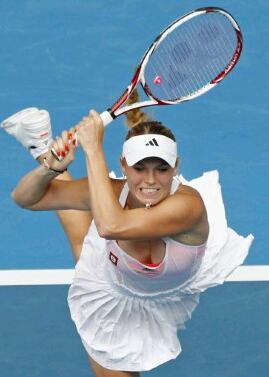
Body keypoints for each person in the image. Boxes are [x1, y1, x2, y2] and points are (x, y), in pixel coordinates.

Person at [1, 92, 253, 377]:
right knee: (81, 243)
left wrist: (93, 149)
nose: (150, 180)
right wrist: (51, 165)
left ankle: (40, 142)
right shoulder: (113, 191)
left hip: (172, 284)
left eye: (162, 168)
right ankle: (41, 143)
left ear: (177, 167)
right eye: (139, 168)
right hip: (118, 288)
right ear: (123, 165)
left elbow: (111, 226)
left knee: (88, 234)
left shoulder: (188, 206)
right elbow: (26, 199)